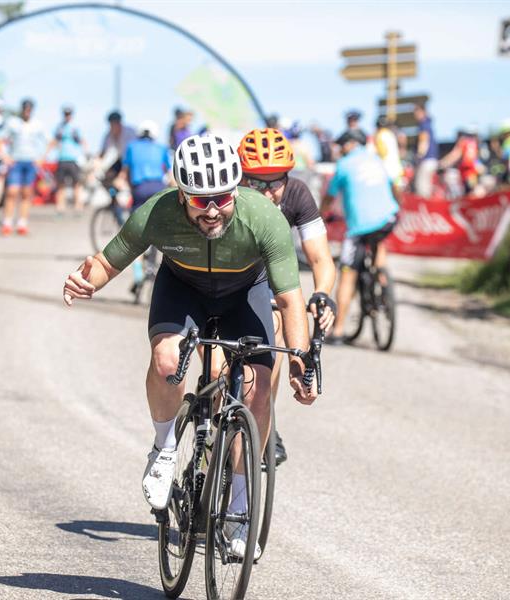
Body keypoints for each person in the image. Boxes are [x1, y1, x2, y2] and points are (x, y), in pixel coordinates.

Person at [62, 133, 316, 559]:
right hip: (183, 288)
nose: (213, 210)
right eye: (201, 201)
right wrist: (88, 281)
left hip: (243, 293)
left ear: (236, 189)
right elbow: (109, 260)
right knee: (166, 360)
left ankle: (239, 504)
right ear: (181, 194)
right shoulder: (158, 212)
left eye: (222, 198)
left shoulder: (264, 219)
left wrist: (301, 363)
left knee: (258, 391)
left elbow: (290, 300)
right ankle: (163, 449)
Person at [236, 127, 336, 465]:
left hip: (270, 281)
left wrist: (322, 292)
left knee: (275, 328)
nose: (266, 193)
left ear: (288, 177)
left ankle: (265, 415)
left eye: (274, 183)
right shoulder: (228, 195)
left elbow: (321, 258)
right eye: (256, 183)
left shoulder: (297, 195)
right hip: (229, 278)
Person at [321, 130, 399, 343]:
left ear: (351, 144)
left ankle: (336, 331)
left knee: (348, 273)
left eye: (342, 144)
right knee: (378, 242)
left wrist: (320, 216)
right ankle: (381, 281)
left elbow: (329, 197)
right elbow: (394, 185)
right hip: (389, 217)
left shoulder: (344, 165)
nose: (339, 149)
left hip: (359, 227)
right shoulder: (376, 159)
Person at [116, 119, 171, 292]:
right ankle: (152, 266)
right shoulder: (161, 148)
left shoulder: (131, 147)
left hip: (139, 190)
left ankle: (139, 273)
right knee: (158, 228)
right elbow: (170, 175)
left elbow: (124, 172)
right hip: (158, 189)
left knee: (137, 232)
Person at [1, 98, 48, 235]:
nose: (27, 112)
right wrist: (5, 156)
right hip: (16, 161)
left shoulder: (38, 124)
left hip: (30, 161)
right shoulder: (13, 123)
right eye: (25, 109)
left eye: (29, 109)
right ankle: (7, 222)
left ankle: (22, 222)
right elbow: (0, 139)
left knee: (27, 193)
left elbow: (49, 141)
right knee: (12, 192)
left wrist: (42, 158)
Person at [47, 105, 87, 216]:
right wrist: (46, 155)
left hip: (74, 159)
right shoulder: (59, 127)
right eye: (65, 114)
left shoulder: (75, 127)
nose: (67, 116)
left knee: (77, 184)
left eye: (69, 114)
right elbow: (54, 141)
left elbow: (83, 141)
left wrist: (85, 154)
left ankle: (78, 207)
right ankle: (60, 208)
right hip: (61, 158)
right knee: (60, 185)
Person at [438, 125, 482, 195]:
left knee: (470, 192)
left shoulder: (464, 142)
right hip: (472, 172)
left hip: (467, 172)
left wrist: (442, 163)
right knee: (472, 190)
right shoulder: (474, 144)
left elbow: (455, 155)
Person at [412, 102, 439, 197]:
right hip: (432, 160)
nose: (415, 115)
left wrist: (419, 155)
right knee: (427, 187)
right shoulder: (428, 123)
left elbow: (424, 139)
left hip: (426, 160)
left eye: (416, 112)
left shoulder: (423, 124)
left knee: (421, 188)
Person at [374, 116, 404, 195]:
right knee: (398, 192)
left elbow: (382, 154)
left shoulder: (380, 135)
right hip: (397, 169)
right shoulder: (391, 134)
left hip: (387, 170)